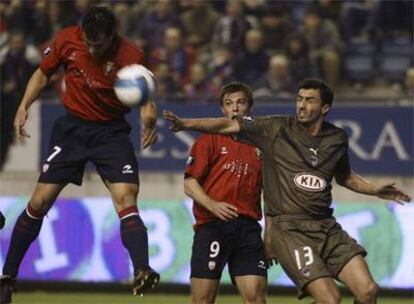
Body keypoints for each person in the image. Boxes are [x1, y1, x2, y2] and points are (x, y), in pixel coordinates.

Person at [163, 78, 412, 303]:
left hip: (318, 226)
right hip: (273, 228)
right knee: (330, 299)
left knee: (368, 291)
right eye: (299, 99)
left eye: (309, 101)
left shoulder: (336, 139)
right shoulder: (274, 129)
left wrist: (374, 188)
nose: (301, 106)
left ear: (325, 108)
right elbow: (220, 133)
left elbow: (344, 177)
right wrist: (186, 123)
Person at [0, 6, 160, 304]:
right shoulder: (66, 39)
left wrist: (149, 119)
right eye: (86, 42)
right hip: (72, 129)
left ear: (112, 37)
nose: (89, 48)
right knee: (39, 201)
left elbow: (147, 98)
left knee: (127, 197)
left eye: (97, 45)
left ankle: (142, 268)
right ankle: (7, 277)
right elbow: (42, 73)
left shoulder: (132, 56)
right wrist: (23, 106)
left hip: (111, 133)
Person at [185, 82, 267, 304]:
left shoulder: (262, 146)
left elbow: (270, 195)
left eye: (240, 102)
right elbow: (189, 183)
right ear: (222, 109)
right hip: (213, 225)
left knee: (256, 298)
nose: (235, 108)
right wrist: (212, 205)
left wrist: (271, 236)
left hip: (248, 228)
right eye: (229, 104)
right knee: (203, 299)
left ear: (250, 106)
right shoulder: (208, 140)